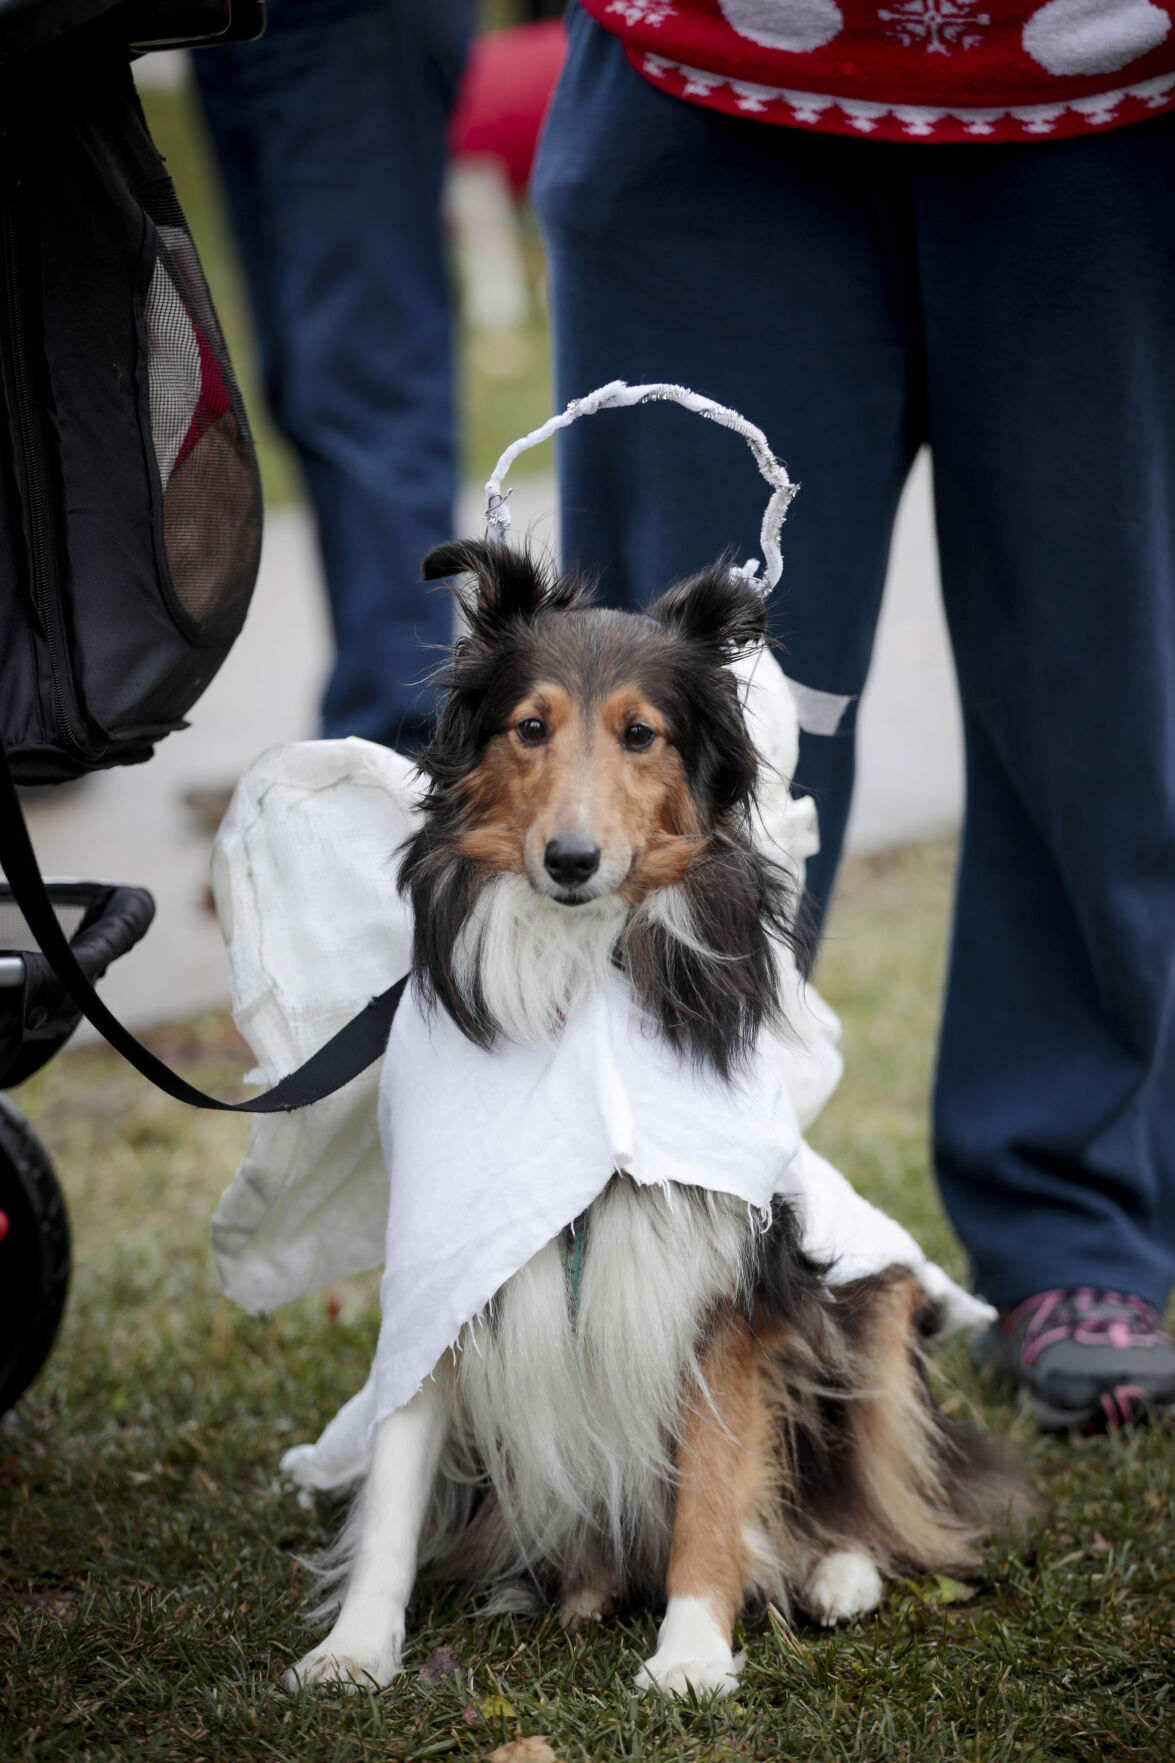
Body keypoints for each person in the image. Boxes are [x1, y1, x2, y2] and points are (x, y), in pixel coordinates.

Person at [531, 0, 1175, 1431]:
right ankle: (656, 1213)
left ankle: (1073, 1221)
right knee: (659, 728)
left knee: (1104, 694)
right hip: (706, 74)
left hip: (1114, 97)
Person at [194, 0, 475, 754]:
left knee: (365, 378)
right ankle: (369, 731)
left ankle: (396, 748)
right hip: (219, 22)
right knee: (303, 378)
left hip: (343, 18)